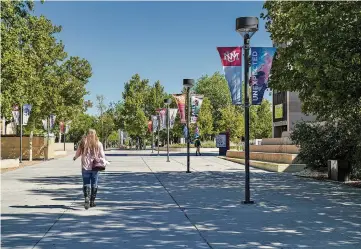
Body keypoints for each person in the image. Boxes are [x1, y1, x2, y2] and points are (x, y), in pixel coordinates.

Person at [73, 129, 105, 210]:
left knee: (86, 183)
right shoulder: (99, 143)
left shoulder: (83, 142)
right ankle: (92, 201)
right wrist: (102, 161)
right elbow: (102, 155)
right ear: (95, 134)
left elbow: (78, 152)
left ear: (87, 134)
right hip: (95, 166)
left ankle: (86, 197)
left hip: (85, 166)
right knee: (94, 183)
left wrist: (75, 157)